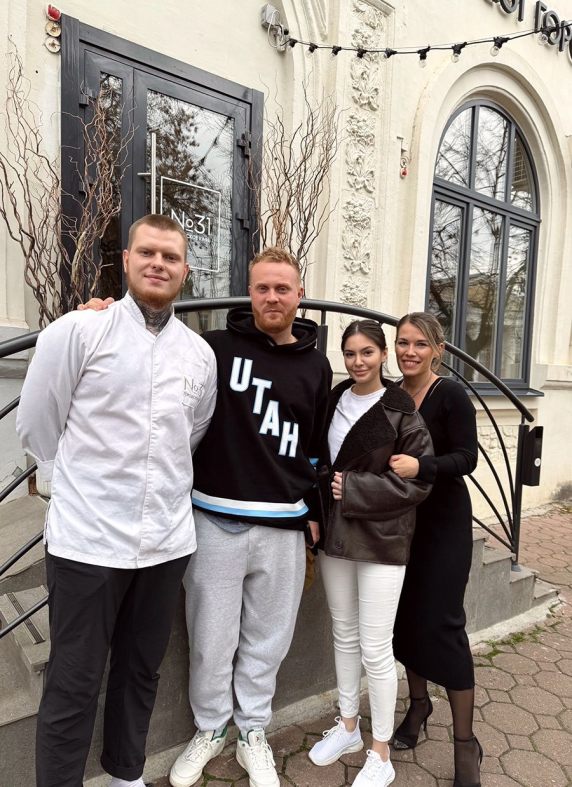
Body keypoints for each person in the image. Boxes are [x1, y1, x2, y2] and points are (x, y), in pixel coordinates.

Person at [16, 214, 217, 787]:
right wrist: (75, 481)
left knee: (141, 671)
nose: (158, 264)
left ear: (185, 272)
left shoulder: (199, 355)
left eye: (171, 257)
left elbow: (191, 434)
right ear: (126, 261)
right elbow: (37, 426)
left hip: (165, 543)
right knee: (73, 681)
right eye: (147, 252)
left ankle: (126, 774)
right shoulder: (79, 332)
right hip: (88, 542)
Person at [167, 246, 332, 787]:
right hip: (214, 517)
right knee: (210, 639)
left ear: (299, 295)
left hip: (283, 523)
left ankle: (252, 731)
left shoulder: (316, 364)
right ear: (250, 291)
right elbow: (152, 339)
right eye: (263, 287)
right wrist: (99, 314)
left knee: (269, 638)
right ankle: (210, 728)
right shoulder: (214, 347)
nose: (272, 297)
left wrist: (314, 511)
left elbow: (314, 446)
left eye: (283, 288)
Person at [308, 319, 433, 787]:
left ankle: (381, 751)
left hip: (382, 540)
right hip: (336, 536)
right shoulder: (335, 400)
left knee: (376, 647)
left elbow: (419, 482)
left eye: (367, 352)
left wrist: (356, 488)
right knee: (343, 633)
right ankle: (347, 727)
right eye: (350, 353)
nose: (358, 362)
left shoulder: (402, 411)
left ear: (383, 355)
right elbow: (316, 462)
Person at [390, 312, 481, 787]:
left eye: (420, 344)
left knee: (443, 625)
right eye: (403, 342)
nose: (410, 352)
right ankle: (419, 705)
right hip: (400, 524)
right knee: (406, 621)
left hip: (443, 525)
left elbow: (467, 457)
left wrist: (421, 466)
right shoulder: (391, 394)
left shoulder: (451, 395)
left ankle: (466, 744)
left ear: (438, 350)